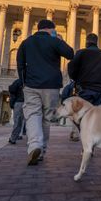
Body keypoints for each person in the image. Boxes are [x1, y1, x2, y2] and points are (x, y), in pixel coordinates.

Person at [17, 19, 74, 165]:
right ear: (51, 29)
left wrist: (23, 83)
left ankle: (34, 145)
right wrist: (59, 40)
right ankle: (41, 150)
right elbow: (70, 54)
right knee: (46, 118)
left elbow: (20, 64)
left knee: (32, 115)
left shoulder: (26, 42)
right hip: (51, 85)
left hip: (31, 84)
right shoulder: (54, 41)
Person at [68, 33, 101, 106]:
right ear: (96, 42)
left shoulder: (81, 53)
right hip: (99, 89)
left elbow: (71, 68)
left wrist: (76, 79)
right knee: (96, 113)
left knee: (84, 113)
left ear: (87, 42)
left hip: (85, 88)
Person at [8, 79, 25, 144]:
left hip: (19, 102)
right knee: (30, 121)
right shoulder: (32, 79)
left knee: (17, 121)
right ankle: (34, 141)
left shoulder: (19, 81)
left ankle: (13, 138)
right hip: (30, 103)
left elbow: (12, 89)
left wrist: (12, 103)